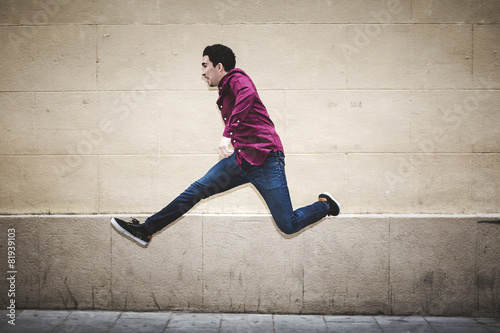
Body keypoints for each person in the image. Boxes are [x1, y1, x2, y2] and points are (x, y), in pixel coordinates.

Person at [111, 44, 340, 246]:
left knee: (288, 225)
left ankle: (325, 205)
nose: (202, 72)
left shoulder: (238, 78)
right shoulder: (226, 89)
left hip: (266, 160)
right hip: (241, 161)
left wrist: (227, 134)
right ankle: (146, 230)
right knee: (197, 190)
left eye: (205, 66)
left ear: (219, 67)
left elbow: (247, 95)